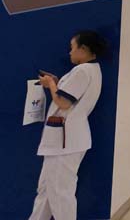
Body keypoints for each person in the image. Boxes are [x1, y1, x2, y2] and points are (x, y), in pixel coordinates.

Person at [30, 30, 107, 220]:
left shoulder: (83, 71)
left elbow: (63, 102)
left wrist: (51, 84)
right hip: (65, 140)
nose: (70, 52)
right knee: (46, 190)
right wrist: (57, 83)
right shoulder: (90, 70)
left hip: (65, 142)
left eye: (72, 48)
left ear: (83, 49)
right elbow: (68, 97)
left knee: (60, 193)